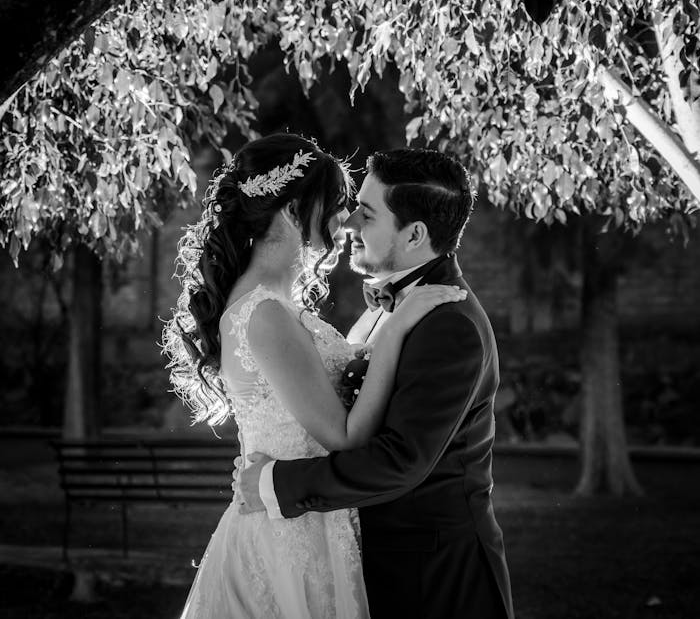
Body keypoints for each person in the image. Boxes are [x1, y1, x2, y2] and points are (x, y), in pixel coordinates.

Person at [162, 133, 466, 619]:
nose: (345, 219)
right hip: (287, 540)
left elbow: (329, 387)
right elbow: (344, 434)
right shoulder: (264, 313)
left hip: (307, 518)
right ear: (291, 211)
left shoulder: (276, 304)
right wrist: (397, 329)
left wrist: (376, 325)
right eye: (335, 204)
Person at [237, 147, 515, 619]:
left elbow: (400, 460)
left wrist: (275, 483)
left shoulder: (449, 323)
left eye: (366, 214)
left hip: (436, 585)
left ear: (415, 235)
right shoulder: (387, 312)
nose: (346, 225)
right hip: (381, 576)